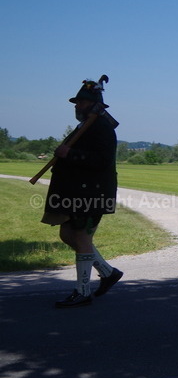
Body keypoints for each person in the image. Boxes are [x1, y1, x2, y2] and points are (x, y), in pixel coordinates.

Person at [45, 76, 122, 308]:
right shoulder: (83, 126)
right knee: (67, 235)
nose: (77, 106)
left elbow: (102, 160)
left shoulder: (102, 128)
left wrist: (70, 154)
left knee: (81, 237)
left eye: (81, 102)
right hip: (75, 192)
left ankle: (82, 291)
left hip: (92, 194)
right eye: (77, 102)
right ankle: (108, 273)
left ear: (94, 104)